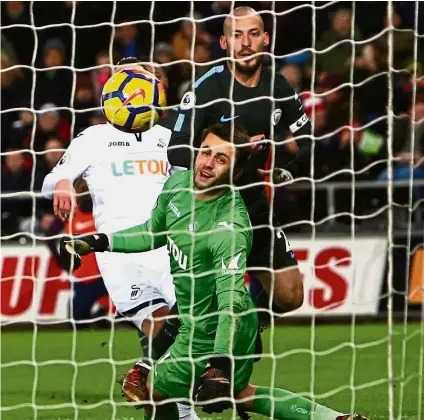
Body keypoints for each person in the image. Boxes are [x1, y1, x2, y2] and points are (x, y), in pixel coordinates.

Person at [60, 123, 369, 420]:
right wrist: (100, 241)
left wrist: (219, 362)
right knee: (242, 393)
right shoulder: (177, 184)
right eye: (206, 152)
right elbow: (152, 232)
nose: (207, 163)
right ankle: (336, 418)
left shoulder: (229, 228)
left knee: (153, 389)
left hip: (219, 324)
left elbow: (230, 300)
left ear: (235, 173)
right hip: (205, 320)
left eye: (221, 159)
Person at [41, 61, 199, 420]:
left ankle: (167, 398)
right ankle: (178, 406)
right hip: (119, 253)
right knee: (161, 326)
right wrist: (65, 183)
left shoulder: (168, 136)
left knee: (190, 328)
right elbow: (54, 176)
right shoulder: (93, 137)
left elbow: (193, 178)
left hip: (169, 249)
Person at [163, 6, 308, 318]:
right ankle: (154, 362)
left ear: (265, 39)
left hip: (255, 206)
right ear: (224, 43)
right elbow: (176, 150)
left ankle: (249, 323)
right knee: (210, 304)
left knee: (292, 296)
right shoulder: (206, 88)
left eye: (253, 34)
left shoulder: (278, 85)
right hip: (213, 211)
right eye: (237, 35)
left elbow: (308, 137)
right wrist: (233, 150)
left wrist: (289, 171)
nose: (246, 42)